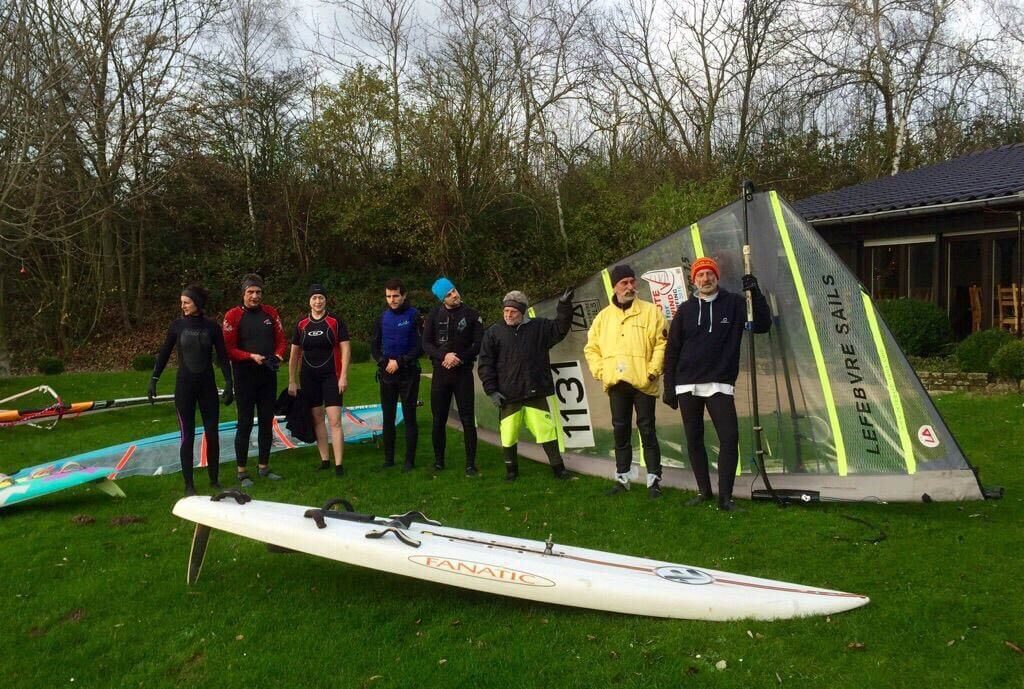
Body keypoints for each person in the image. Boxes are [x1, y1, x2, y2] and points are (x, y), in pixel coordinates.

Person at [663, 257, 771, 511]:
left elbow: (762, 325)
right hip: (687, 384)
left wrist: (755, 293)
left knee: (729, 438)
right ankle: (704, 492)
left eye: (709, 273)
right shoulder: (685, 310)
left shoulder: (734, 303)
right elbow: (672, 350)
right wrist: (669, 386)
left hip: (719, 383)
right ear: (694, 280)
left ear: (717, 276)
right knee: (694, 439)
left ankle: (725, 498)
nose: (705, 279)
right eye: (700, 275)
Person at [583, 265, 667, 498]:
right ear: (614, 287)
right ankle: (622, 479)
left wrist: (653, 371)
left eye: (632, 281)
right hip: (616, 383)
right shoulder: (603, 317)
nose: (630, 287)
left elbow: (662, 343)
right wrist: (601, 372)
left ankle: (654, 480)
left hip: (643, 382)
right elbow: (591, 348)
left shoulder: (651, 312)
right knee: (620, 430)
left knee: (647, 430)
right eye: (624, 283)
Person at [478, 289, 575, 481]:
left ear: (522, 312)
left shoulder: (539, 327)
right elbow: (485, 363)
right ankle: (511, 471)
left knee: (546, 431)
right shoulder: (493, 332)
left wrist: (564, 306)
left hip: (535, 391)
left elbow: (560, 329)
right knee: (508, 433)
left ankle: (559, 469)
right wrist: (491, 391)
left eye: (513, 311)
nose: (508, 315)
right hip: (507, 395)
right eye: (506, 311)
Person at [149, 285, 234, 496]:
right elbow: (164, 353)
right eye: (182, 302)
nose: (183, 306)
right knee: (187, 435)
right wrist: (154, 379)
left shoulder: (212, 327)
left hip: (207, 387)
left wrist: (229, 382)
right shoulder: (177, 326)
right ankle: (189, 485)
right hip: (184, 387)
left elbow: (222, 357)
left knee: (212, 434)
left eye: (186, 302)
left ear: (197, 303)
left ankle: (214, 481)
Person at [223, 274, 287, 487]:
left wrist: (278, 356)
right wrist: (250, 356)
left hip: (267, 376)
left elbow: (281, 341)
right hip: (244, 377)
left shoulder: (271, 313)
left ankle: (264, 466)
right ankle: (242, 471)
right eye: (250, 292)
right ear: (243, 293)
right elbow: (228, 349)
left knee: (267, 421)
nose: (255, 296)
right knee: (245, 422)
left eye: (258, 292)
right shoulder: (233, 315)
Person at [422, 277, 484, 475]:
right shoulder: (434, 315)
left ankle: (470, 464)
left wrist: (459, 358)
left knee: (468, 419)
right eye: (449, 294)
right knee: (438, 419)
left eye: (454, 290)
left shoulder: (472, 314)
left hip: (463, 373)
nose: (454, 295)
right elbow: (426, 344)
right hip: (441, 373)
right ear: (443, 299)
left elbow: (478, 343)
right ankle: (439, 461)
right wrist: (444, 356)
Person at [288, 284, 351, 477]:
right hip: (309, 376)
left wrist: (343, 376)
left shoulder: (335, 321)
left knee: (335, 420)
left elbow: (345, 349)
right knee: (317, 418)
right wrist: (292, 380)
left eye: (321, 298)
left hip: (331, 375)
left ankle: (339, 465)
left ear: (325, 300)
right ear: (309, 301)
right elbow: (294, 354)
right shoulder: (301, 324)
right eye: (314, 298)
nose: (318, 301)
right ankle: (325, 460)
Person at [370, 278, 422, 472]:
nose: (392, 299)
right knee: (388, 417)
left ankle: (409, 461)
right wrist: (384, 362)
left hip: (408, 373)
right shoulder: (382, 318)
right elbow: (374, 347)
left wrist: (400, 361)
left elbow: (420, 346)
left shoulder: (414, 316)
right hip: (387, 374)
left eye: (396, 296)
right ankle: (389, 459)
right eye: (389, 296)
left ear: (404, 295)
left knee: (409, 417)